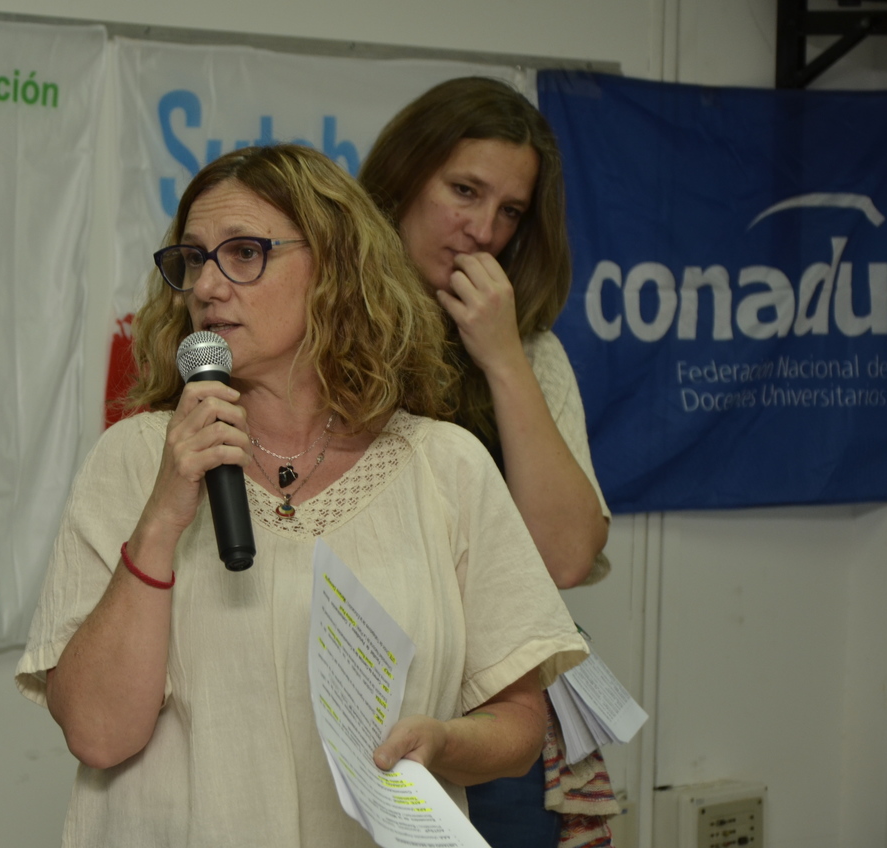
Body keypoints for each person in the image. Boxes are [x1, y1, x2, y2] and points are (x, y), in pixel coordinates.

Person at [15, 143, 588, 848]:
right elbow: (98, 734)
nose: (208, 286)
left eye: (245, 253)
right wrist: (162, 517)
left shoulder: (446, 466)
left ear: (336, 268)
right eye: (193, 259)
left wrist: (445, 743)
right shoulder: (134, 459)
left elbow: (519, 723)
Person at [361, 77, 615, 848]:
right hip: (357, 688)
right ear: (402, 180)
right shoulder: (320, 326)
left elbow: (566, 558)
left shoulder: (531, 348)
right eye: (464, 191)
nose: (482, 230)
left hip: (492, 717)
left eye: (509, 211)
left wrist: (503, 359)